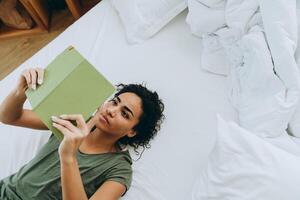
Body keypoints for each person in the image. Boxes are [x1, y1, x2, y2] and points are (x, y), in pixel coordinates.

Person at [0, 68, 165, 200]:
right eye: (115, 102)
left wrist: (68, 157)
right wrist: (20, 92)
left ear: (132, 131)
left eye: (125, 114)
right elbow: (9, 117)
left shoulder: (119, 170)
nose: (111, 110)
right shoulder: (77, 118)